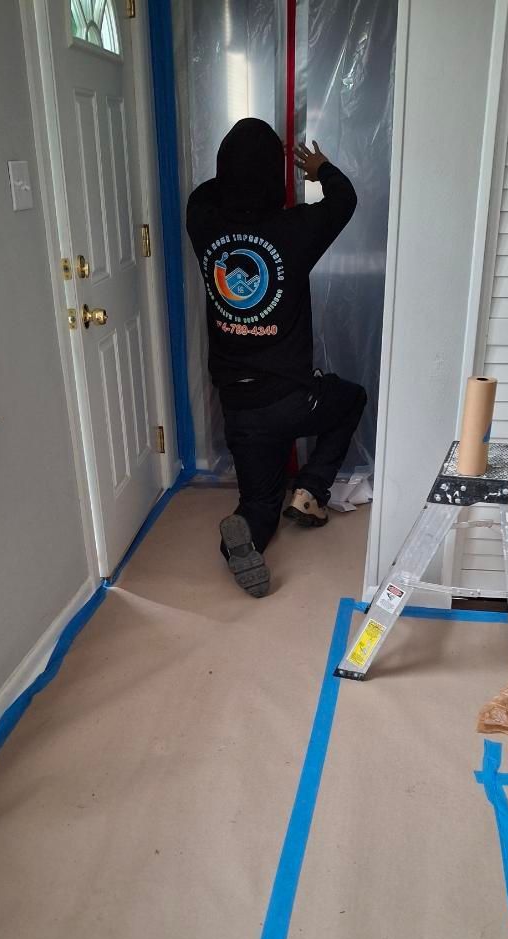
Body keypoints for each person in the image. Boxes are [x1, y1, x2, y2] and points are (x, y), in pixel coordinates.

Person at [186, 117, 367, 597]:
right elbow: (344, 199)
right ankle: (310, 492)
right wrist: (319, 167)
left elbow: (207, 191)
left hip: (238, 407)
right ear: (275, 177)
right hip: (293, 399)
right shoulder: (294, 229)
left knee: (260, 503)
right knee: (351, 399)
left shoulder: (202, 221)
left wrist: (234, 177)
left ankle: (246, 529)